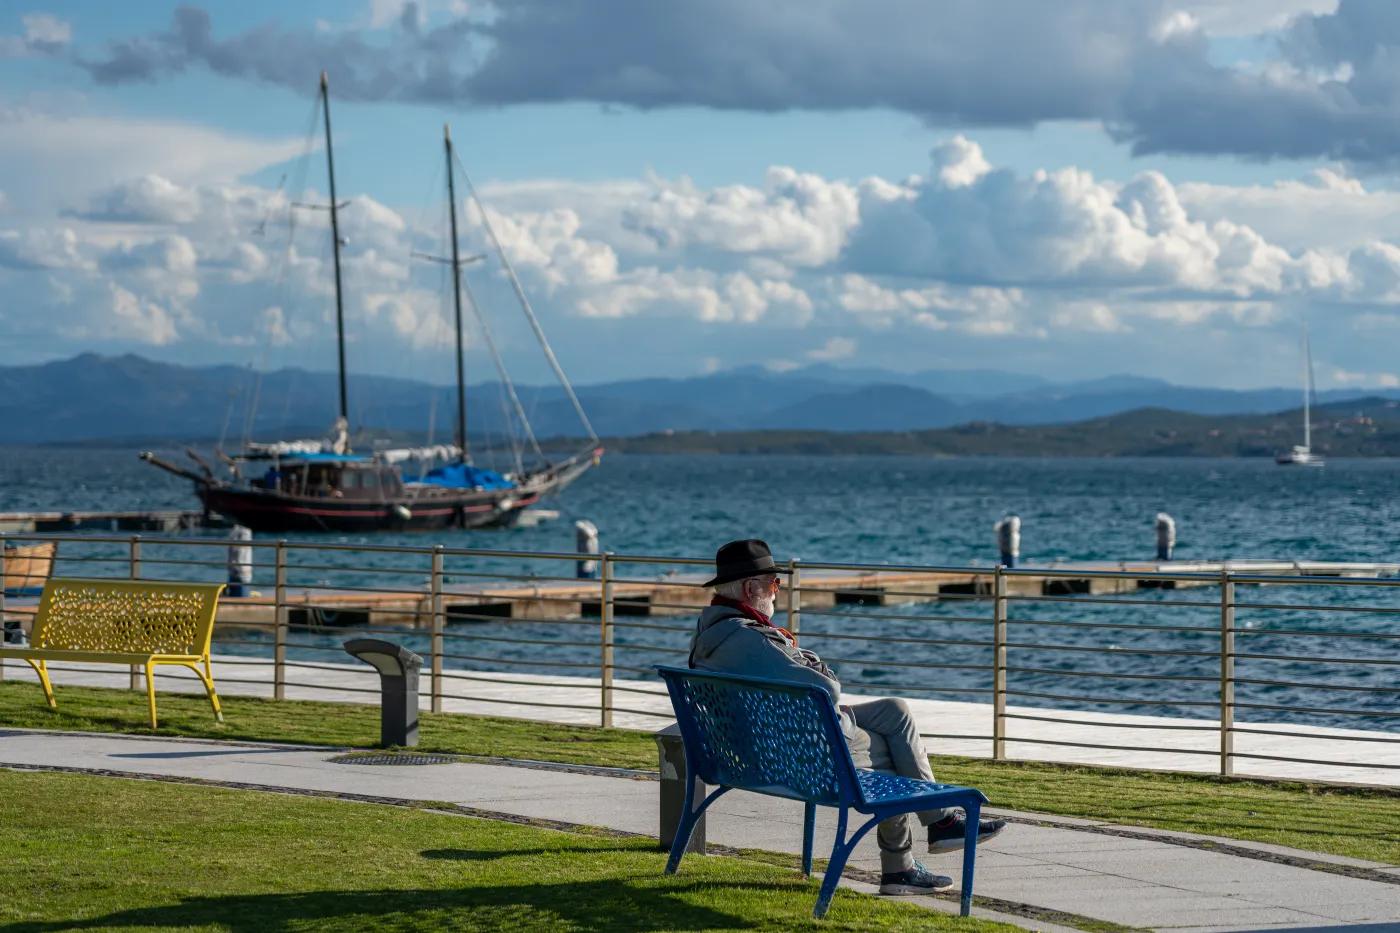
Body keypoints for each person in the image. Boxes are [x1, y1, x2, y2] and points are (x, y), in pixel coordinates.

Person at [688, 539, 1007, 897]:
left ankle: (941, 824)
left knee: (894, 710)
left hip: (763, 746)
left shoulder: (714, 631)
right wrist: (813, 662)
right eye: (774, 583)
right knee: (893, 752)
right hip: (798, 755)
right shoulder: (749, 638)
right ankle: (909, 858)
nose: (778, 591)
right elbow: (827, 688)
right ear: (751, 588)